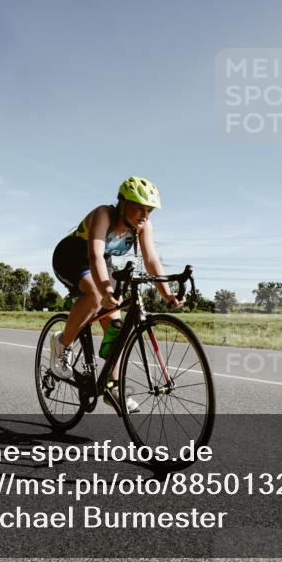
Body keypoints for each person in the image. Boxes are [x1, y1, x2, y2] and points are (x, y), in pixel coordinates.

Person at [50, 176, 182, 414]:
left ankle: (112, 388)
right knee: (94, 296)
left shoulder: (143, 225)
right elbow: (95, 255)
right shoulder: (104, 214)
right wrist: (105, 289)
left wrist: (167, 294)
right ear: (122, 203)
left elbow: (151, 259)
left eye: (149, 210)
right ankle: (62, 343)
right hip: (71, 257)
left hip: (102, 263)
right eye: (139, 208)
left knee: (115, 326)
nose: (145, 215)